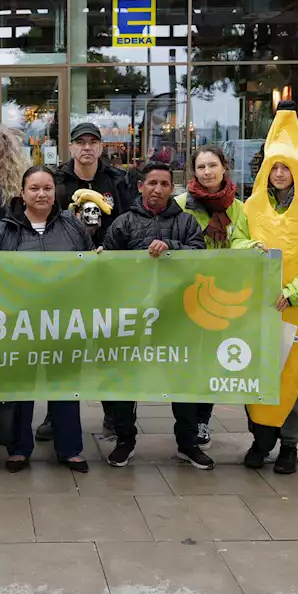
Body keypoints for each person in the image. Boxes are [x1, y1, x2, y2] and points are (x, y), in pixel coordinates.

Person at [233, 103, 298, 476]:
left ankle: (290, 445)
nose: (279, 174)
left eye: (285, 168)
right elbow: (237, 242)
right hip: (257, 307)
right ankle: (261, 439)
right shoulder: (250, 208)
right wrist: (250, 250)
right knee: (256, 371)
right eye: (273, 167)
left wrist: (294, 292)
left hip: (295, 309)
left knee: (293, 376)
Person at [100, 161, 209, 469]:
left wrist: (170, 247)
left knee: (183, 380)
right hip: (133, 316)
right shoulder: (123, 222)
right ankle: (125, 440)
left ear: (171, 188)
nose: (158, 189)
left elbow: (202, 258)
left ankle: (187, 444)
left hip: (177, 315)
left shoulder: (187, 223)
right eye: (152, 183)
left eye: (164, 184)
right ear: (140, 187)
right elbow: (107, 265)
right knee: (125, 380)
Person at [0, 166, 92, 474]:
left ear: (55, 192)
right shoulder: (4, 229)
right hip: (20, 323)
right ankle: (18, 448)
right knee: (20, 386)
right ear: (22, 193)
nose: (41, 194)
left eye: (47, 188)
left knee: (65, 386)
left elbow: (90, 269)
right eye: (34, 188)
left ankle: (70, 449)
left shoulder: (72, 226)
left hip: (64, 320)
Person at [40, 121, 138, 441]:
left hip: (110, 275)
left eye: (92, 142)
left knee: (112, 347)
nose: (86, 147)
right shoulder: (56, 180)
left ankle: (117, 415)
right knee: (63, 347)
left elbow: (131, 221)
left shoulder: (119, 180)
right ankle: (56, 416)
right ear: (71, 147)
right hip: (66, 277)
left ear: (100, 147)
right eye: (80, 142)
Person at [175, 145, 248, 451]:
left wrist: (248, 247)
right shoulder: (180, 204)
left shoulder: (239, 207)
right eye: (201, 167)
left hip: (221, 295)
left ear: (223, 168)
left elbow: (242, 240)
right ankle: (185, 423)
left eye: (212, 165)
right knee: (187, 361)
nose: (206, 172)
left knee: (212, 362)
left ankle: (202, 419)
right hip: (184, 293)